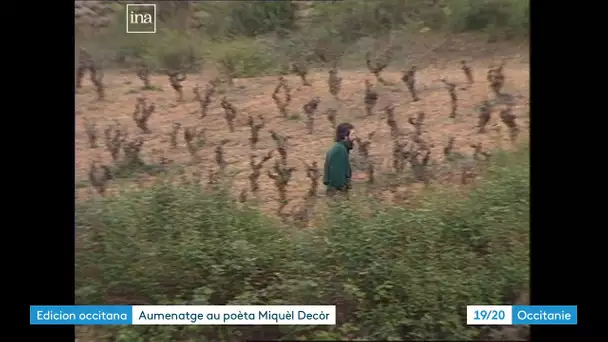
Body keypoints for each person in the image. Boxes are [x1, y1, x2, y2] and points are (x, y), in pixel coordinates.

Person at [323, 122, 355, 196]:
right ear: (345, 137)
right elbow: (337, 177)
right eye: (352, 135)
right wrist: (343, 192)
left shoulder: (341, 148)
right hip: (337, 194)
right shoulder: (339, 150)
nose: (354, 137)